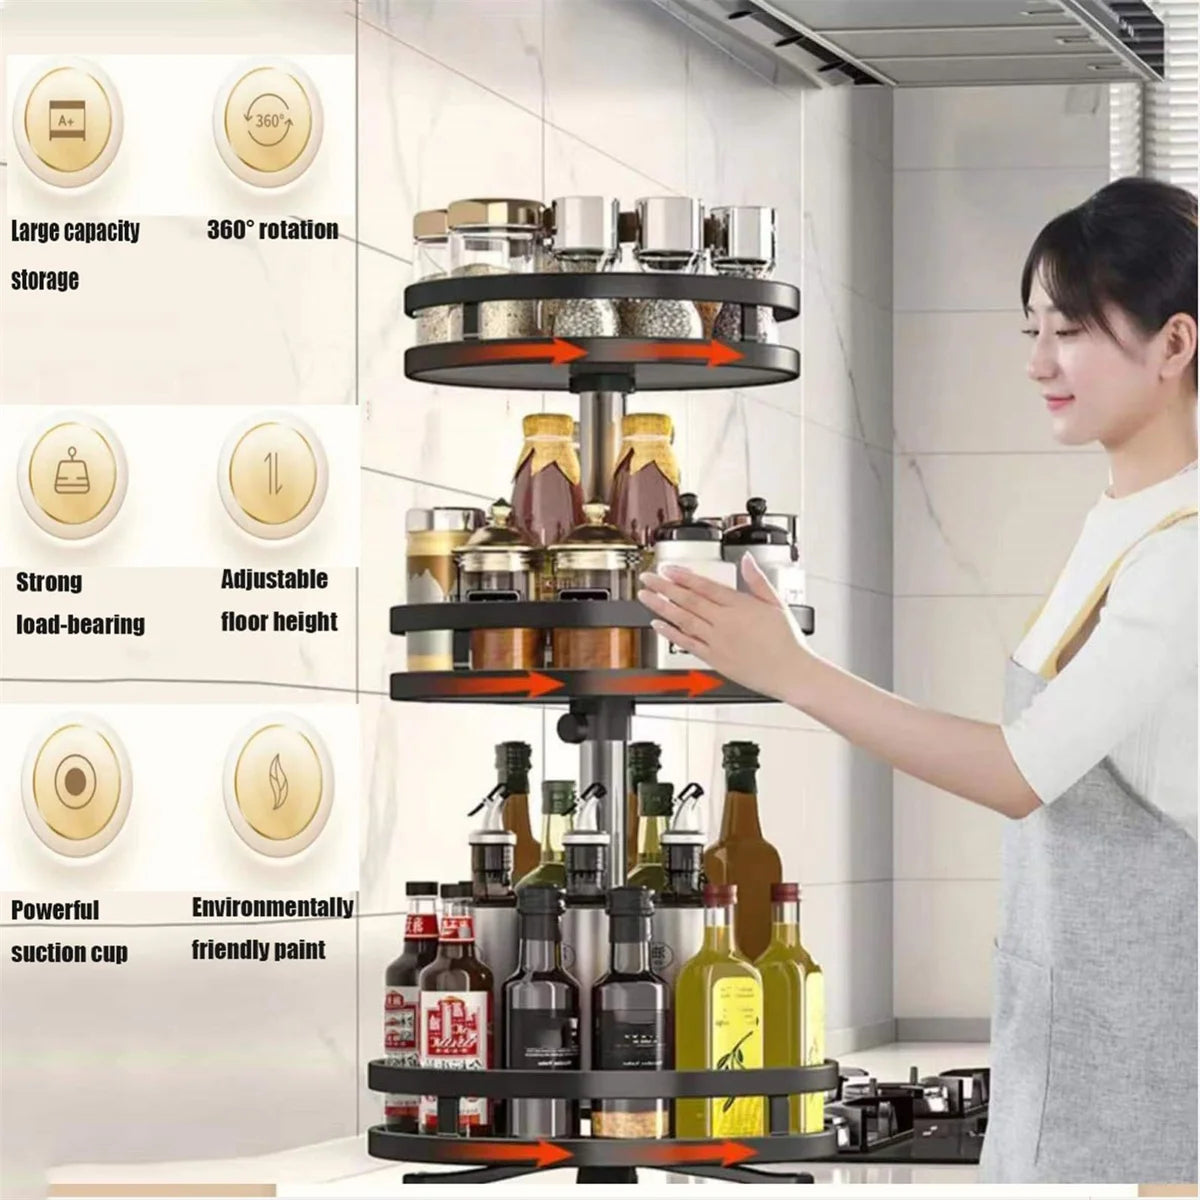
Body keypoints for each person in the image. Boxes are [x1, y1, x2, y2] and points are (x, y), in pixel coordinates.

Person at [638, 177, 1197, 1185]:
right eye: (1032, 330)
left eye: (1069, 331)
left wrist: (794, 674)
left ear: (1174, 345)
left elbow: (1023, 771)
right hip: (1074, 1045)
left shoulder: (1184, 552)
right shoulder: (1124, 520)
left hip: (1144, 1084)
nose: (1038, 364)